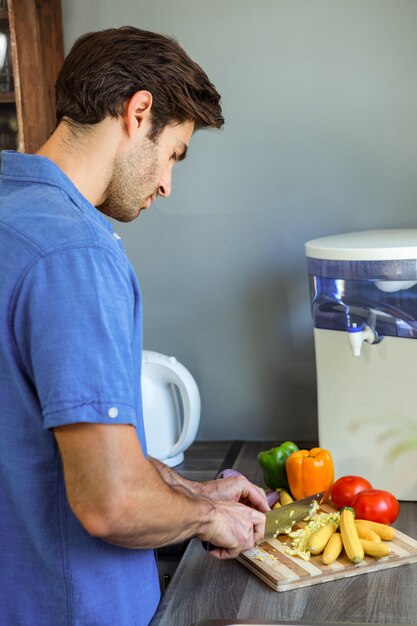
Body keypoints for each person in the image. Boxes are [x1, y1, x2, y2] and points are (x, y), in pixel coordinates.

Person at [0, 26, 268, 626]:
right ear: (138, 112)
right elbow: (110, 502)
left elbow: (40, 447)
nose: (167, 184)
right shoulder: (75, 253)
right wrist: (208, 518)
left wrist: (193, 491)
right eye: (172, 153)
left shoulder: (10, 213)